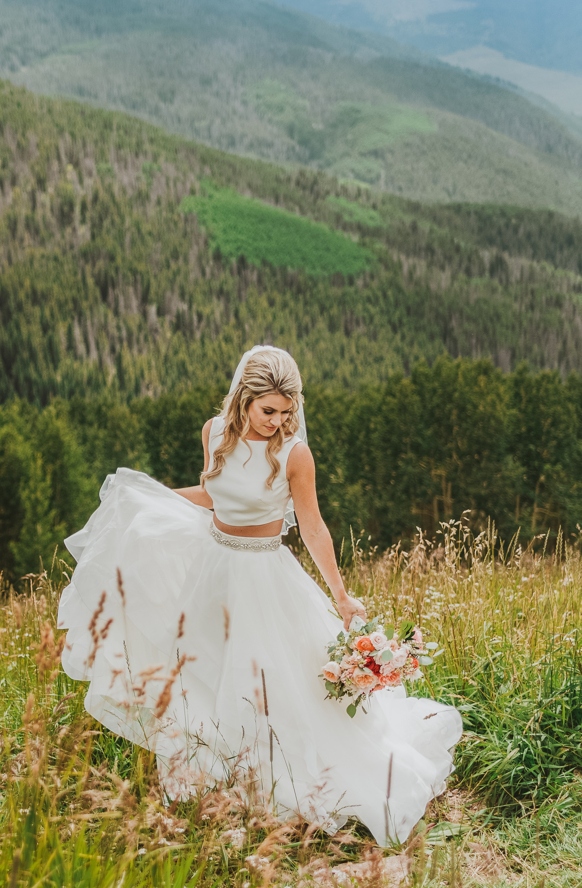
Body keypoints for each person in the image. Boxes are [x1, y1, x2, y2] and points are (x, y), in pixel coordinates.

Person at [56, 345, 461, 843]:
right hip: (214, 568)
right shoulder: (215, 432)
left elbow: (312, 526)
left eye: (287, 412)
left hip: (266, 575)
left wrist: (341, 595)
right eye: (268, 410)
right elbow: (213, 494)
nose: (278, 421)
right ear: (244, 399)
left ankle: (280, 777)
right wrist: (159, 499)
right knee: (203, 671)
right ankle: (215, 774)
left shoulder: (294, 454)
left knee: (271, 681)